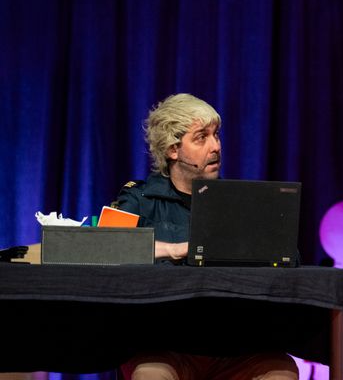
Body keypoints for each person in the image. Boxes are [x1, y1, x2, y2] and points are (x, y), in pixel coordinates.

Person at [115, 93, 299, 380]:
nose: (216, 146)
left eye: (216, 135)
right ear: (173, 150)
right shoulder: (139, 199)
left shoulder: (241, 202)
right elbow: (107, 246)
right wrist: (174, 249)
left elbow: (290, 258)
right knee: (152, 374)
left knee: (281, 371)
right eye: (201, 138)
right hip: (164, 346)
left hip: (233, 348)